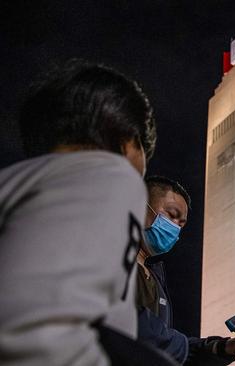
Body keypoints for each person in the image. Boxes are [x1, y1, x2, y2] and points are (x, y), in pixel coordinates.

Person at [0, 59, 169, 365]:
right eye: (143, 153)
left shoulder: (17, 182)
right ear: (128, 141)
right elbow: (36, 336)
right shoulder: (111, 173)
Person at [137, 176, 235, 366]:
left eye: (181, 224)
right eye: (171, 215)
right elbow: (143, 331)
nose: (174, 228)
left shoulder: (155, 279)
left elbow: (166, 346)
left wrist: (226, 347)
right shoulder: (103, 259)